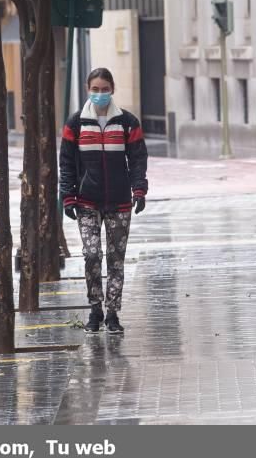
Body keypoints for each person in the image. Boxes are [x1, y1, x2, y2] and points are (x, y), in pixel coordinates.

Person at [59, 68, 148, 334]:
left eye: (104, 89)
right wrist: (68, 196)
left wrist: (139, 190)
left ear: (112, 89)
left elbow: (138, 160)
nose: (100, 94)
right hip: (87, 202)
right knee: (92, 254)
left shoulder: (127, 123)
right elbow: (66, 163)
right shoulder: (75, 124)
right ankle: (95, 309)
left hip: (119, 203)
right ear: (88, 89)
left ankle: (112, 313)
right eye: (95, 89)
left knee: (116, 259)